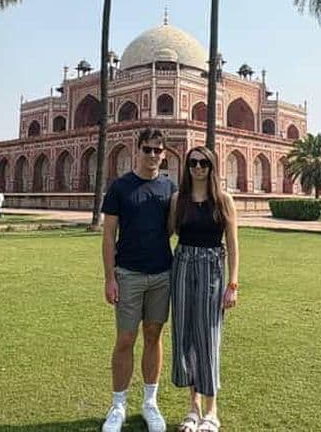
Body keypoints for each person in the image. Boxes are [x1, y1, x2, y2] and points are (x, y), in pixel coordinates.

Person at [101, 128, 177, 432]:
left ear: (164, 154)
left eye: (158, 150)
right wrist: (110, 278)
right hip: (128, 274)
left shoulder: (169, 188)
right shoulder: (120, 188)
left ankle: (150, 402)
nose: (153, 155)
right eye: (147, 149)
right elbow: (109, 236)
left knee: (154, 336)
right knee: (125, 338)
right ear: (138, 150)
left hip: (161, 274)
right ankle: (118, 404)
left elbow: (171, 228)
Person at [169, 146, 239, 432]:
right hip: (183, 265)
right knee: (185, 335)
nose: (198, 167)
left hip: (212, 269)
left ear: (212, 167)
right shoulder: (179, 200)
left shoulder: (223, 200)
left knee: (208, 337)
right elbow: (166, 233)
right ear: (187, 167)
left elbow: (233, 244)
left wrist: (233, 284)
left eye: (203, 163)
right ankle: (194, 408)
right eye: (193, 163)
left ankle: (212, 411)